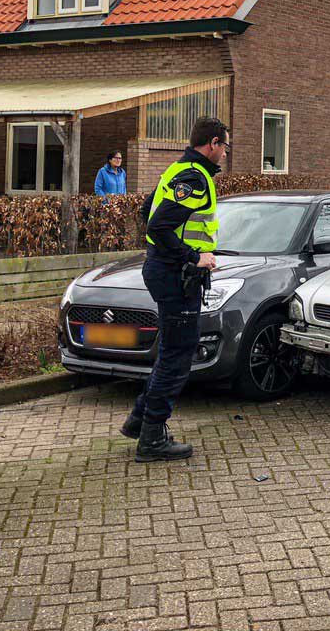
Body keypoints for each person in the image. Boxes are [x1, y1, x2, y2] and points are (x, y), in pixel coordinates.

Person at [120, 117, 230, 462]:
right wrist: (193, 256)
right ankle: (152, 438)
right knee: (177, 358)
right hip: (175, 274)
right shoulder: (194, 178)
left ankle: (140, 420)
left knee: (171, 350)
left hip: (164, 269)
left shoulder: (177, 170)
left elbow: (145, 209)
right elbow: (159, 223)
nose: (225, 153)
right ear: (212, 143)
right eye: (225, 145)